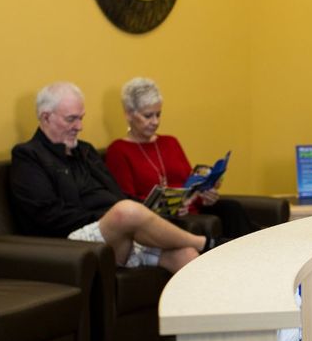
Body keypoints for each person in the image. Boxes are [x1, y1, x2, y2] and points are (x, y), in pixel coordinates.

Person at [10, 82, 212, 273]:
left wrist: (152, 207)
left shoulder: (85, 151)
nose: (79, 126)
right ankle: (206, 243)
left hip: (115, 230)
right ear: (46, 118)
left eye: (81, 118)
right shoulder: (29, 155)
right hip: (71, 239)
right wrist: (108, 218)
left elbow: (117, 193)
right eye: (71, 119)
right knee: (125, 211)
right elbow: (47, 214)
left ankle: (199, 260)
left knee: (186, 255)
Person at [104, 77, 256, 239]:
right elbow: (127, 201)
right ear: (128, 114)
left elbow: (191, 182)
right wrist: (168, 207)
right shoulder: (118, 150)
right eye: (148, 116)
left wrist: (204, 196)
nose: (155, 121)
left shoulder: (170, 142)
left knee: (233, 209)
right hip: (158, 218)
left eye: (158, 114)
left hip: (190, 208)